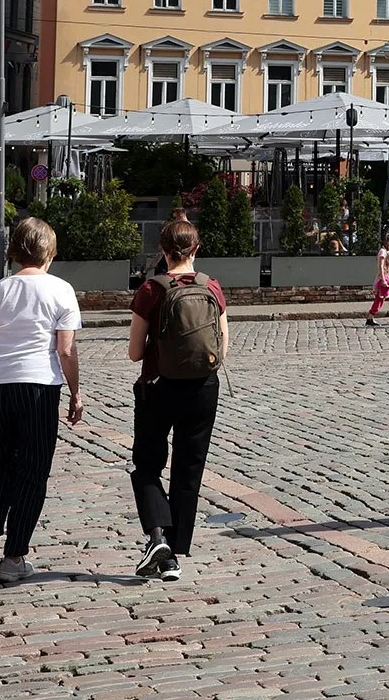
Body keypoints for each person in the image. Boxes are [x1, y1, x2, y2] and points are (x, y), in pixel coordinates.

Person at [0, 218, 83, 585]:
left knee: (3, 465)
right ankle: (14, 556)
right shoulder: (60, 290)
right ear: (49, 252)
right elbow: (66, 350)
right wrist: (75, 392)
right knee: (33, 472)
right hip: (38, 387)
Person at [128, 218, 228, 580]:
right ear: (196, 249)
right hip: (203, 388)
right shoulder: (212, 288)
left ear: (163, 250)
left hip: (158, 386)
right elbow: (222, 346)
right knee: (189, 469)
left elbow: (135, 353)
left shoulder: (151, 290)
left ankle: (158, 536)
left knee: (147, 464)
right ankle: (173, 555)